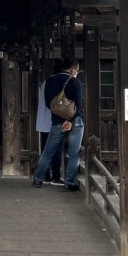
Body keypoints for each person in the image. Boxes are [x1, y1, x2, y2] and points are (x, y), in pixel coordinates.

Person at [31, 58, 84, 192]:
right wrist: (70, 119)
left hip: (57, 121)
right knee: (74, 153)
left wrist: (62, 118)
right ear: (72, 69)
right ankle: (69, 182)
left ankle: (38, 178)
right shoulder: (75, 81)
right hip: (75, 121)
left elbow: (49, 104)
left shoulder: (49, 81)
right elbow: (79, 104)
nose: (77, 72)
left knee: (47, 151)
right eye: (77, 70)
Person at [34, 81, 63, 184]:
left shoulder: (44, 84)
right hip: (53, 121)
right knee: (56, 150)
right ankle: (56, 176)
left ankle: (45, 176)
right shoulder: (57, 83)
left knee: (45, 151)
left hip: (43, 121)